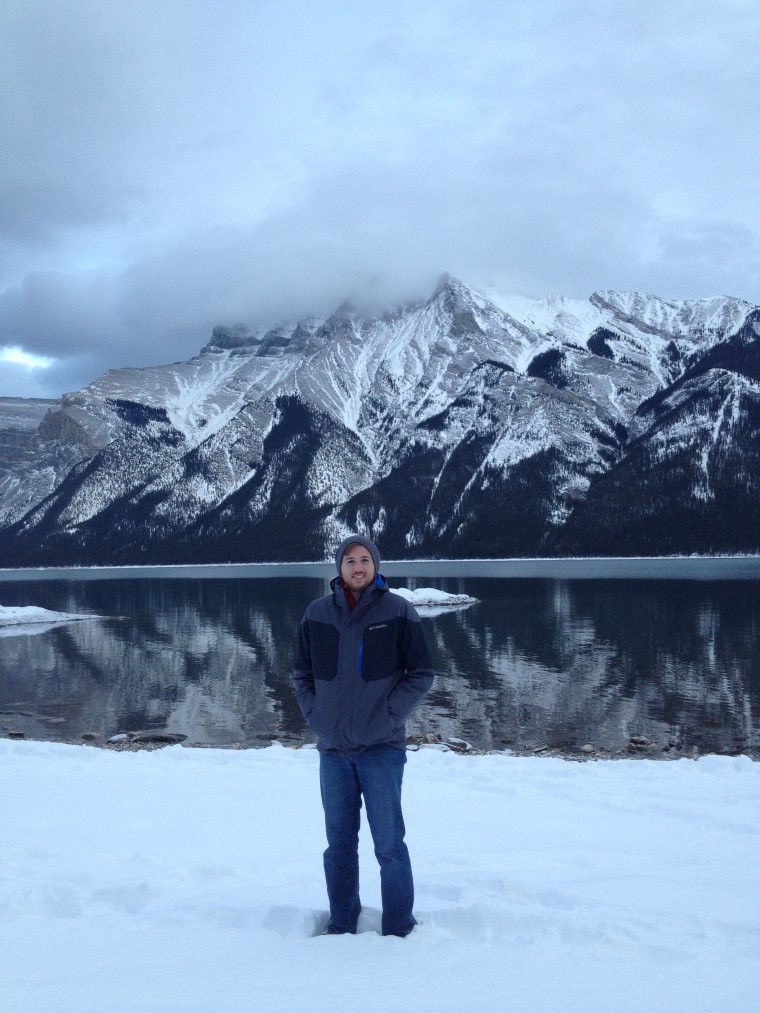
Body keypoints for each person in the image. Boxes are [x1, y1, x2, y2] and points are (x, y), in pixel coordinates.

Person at [293, 535, 435, 937]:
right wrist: (316, 716)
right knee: (338, 846)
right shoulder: (317, 613)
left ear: (376, 566)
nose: (358, 567)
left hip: (381, 749)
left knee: (389, 845)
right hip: (333, 750)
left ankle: (399, 926)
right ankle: (341, 922)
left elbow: (421, 673)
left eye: (365, 560)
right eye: (350, 561)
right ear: (339, 568)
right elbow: (302, 673)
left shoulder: (398, 611)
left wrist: (389, 715)